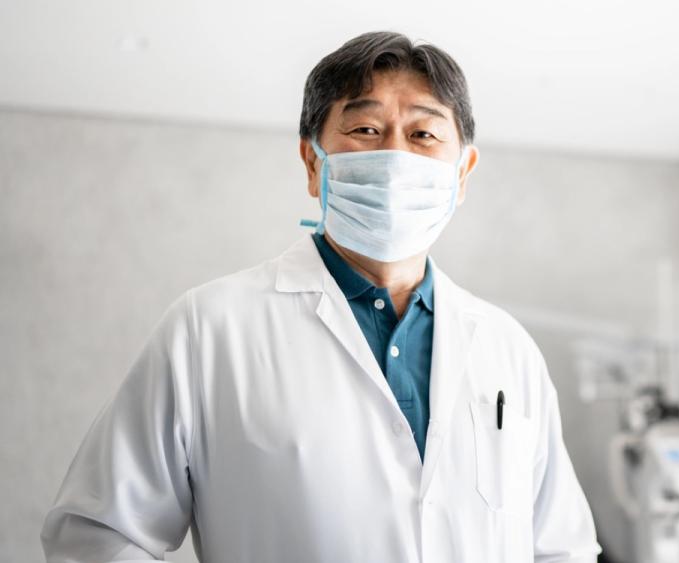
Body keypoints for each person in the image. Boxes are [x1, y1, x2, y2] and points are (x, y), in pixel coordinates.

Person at [42, 31, 600, 562]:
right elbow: (95, 535)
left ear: (463, 173)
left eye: (424, 135)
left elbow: (561, 547)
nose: (397, 158)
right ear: (314, 164)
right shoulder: (208, 328)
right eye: (365, 130)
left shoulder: (509, 348)